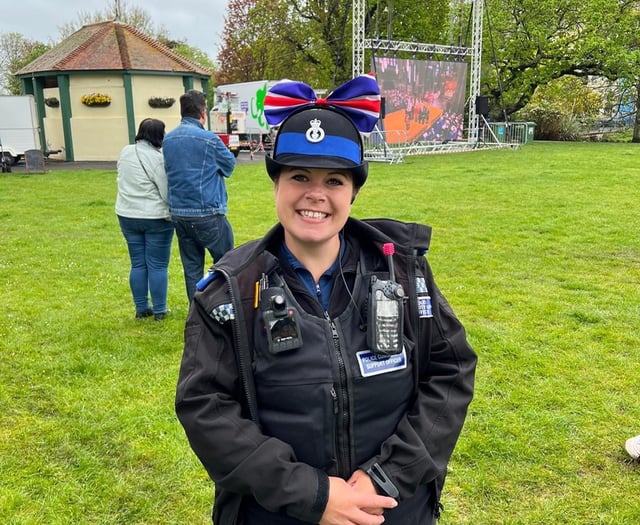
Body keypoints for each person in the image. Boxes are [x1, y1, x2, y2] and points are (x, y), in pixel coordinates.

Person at [175, 75, 477, 525]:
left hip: (391, 510)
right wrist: (314, 496)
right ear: (276, 184)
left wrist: (388, 476)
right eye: (299, 176)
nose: (315, 194)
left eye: (334, 180)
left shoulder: (405, 271)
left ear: (353, 192)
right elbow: (206, 408)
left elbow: (450, 373)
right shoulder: (230, 290)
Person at [162, 89, 236, 302]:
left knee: (192, 268)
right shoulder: (209, 140)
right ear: (203, 113)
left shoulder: (169, 140)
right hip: (208, 212)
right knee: (225, 264)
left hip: (180, 213)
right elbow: (229, 165)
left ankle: (197, 313)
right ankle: (224, 305)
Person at [116, 118, 174, 321]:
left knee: (138, 264)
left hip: (127, 214)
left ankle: (141, 308)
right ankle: (160, 310)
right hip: (155, 217)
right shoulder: (158, 159)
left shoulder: (125, 152)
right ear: (159, 136)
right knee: (157, 265)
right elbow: (166, 192)